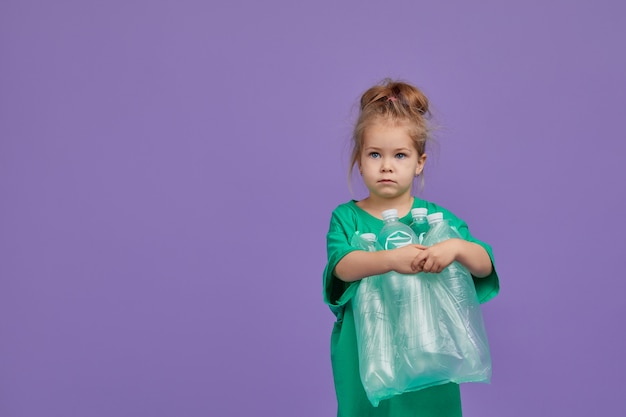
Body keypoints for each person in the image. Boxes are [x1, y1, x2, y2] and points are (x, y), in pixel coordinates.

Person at [323, 79, 500, 416]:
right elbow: (342, 267)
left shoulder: (438, 220)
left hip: (429, 350)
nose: (386, 165)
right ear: (359, 160)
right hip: (365, 351)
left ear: (419, 162)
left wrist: (456, 249)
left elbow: (484, 265)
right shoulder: (347, 218)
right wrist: (389, 259)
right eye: (374, 154)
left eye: (400, 155)